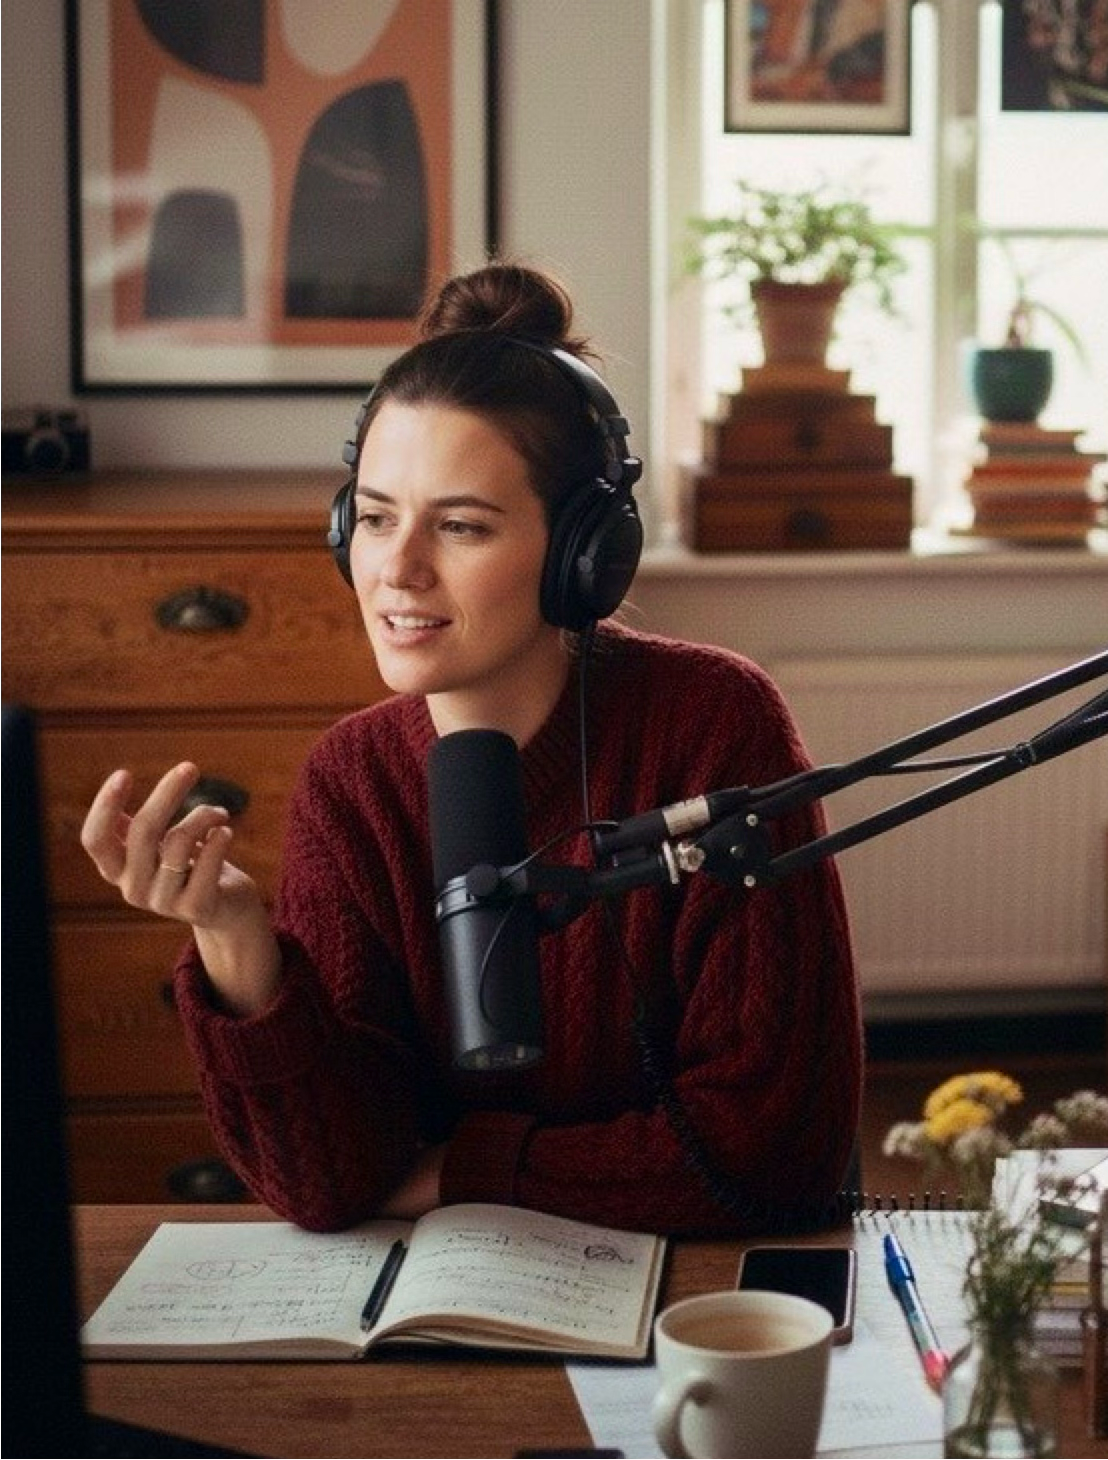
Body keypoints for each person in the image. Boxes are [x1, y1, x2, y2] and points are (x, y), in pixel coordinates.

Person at [80, 260, 864, 1235]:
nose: (397, 569)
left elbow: (770, 1145)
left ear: (586, 550)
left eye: (459, 524)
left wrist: (467, 1164)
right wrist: (238, 942)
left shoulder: (713, 724)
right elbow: (329, 1181)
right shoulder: (352, 780)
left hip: (698, 1313)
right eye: (372, 517)